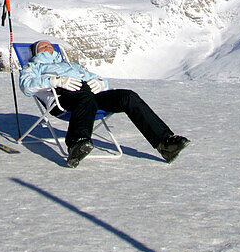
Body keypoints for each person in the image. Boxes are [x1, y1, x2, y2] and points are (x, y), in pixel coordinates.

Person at [19, 40, 190, 167]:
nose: (48, 48)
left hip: (90, 96)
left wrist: (101, 83)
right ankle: (76, 143)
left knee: (128, 96)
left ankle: (165, 143)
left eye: (50, 46)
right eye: (43, 47)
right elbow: (26, 86)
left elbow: (94, 77)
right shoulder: (33, 66)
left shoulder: (71, 65)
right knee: (85, 99)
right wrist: (54, 81)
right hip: (62, 100)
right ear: (35, 53)